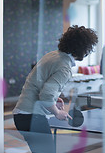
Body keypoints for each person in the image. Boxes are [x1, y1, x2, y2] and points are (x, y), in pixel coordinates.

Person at [13, 25, 98, 153]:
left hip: (22, 114)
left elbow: (41, 86)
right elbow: (46, 96)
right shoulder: (64, 67)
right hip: (32, 116)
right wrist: (57, 113)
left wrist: (54, 98)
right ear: (83, 48)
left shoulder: (52, 55)